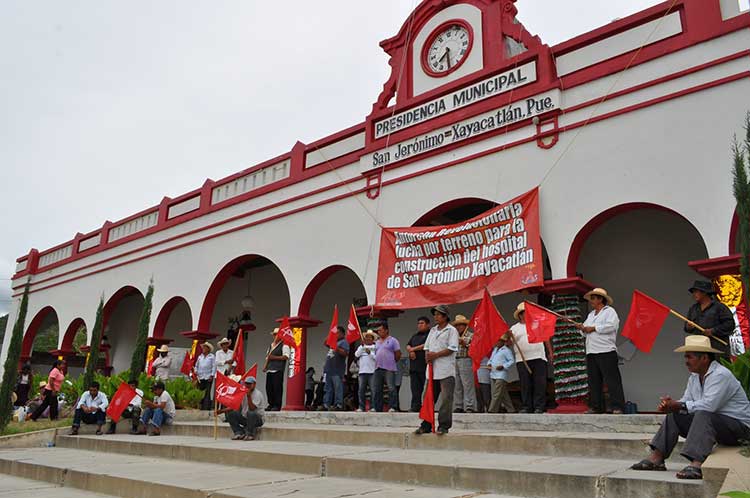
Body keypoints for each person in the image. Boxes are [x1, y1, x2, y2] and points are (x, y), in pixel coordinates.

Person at [631, 335, 750, 480]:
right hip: (717, 427)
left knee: (703, 413)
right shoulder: (694, 376)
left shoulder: (720, 375)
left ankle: (697, 464)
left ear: (704, 358)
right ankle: (657, 458)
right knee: (676, 414)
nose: (686, 362)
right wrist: (672, 406)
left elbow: (708, 406)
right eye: (685, 357)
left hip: (740, 430)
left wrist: (679, 405)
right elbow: (686, 401)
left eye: (690, 357)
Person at [576, 288, 625, 414]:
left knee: (612, 380)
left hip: (606, 350)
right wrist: (582, 328)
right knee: (594, 381)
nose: (591, 301)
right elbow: (585, 332)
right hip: (591, 351)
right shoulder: (591, 315)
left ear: (600, 299)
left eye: (593, 298)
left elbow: (611, 326)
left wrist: (593, 328)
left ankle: (617, 406)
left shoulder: (610, 312)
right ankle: (596, 406)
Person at [415, 305, 459, 435]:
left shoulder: (451, 330)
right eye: (435, 314)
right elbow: (427, 347)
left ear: (445, 316)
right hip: (432, 370)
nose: (436, 317)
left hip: (446, 370)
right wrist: (427, 357)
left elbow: (451, 348)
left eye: (439, 314)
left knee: (446, 399)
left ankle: (443, 425)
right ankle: (426, 424)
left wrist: (436, 355)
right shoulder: (433, 330)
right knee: (427, 398)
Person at [509, 302, 552, 413]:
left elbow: (545, 338)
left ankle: (539, 406)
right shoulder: (514, 328)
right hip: (522, 359)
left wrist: (550, 352)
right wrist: (508, 336)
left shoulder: (536, 324)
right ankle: (527, 406)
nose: (525, 315)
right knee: (525, 384)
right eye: (523, 313)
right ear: (520, 315)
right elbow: (508, 343)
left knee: (540, 383)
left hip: (538, 356)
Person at [684, 280, 735, 356]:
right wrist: (688, 327)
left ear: (704, 292)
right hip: (699, 350)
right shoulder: (693, 309)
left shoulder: (720, 307)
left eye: (696, 292)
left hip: (717, 349)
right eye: (693, 292)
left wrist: (713, 331)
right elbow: (686, 327)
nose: (694, 294)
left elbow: (730, 324)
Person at [216, 376, 267, 440]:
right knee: (231, 413)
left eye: (249, 384)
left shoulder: (258, 394)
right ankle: (239, 432)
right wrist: (221, 411)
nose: (247, 385)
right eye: (246, 384)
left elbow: (252, 408)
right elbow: (236, 405)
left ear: (254, 384)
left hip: (257, 419)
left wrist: (248, 396)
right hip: (246, 418)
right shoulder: (243, 393)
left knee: (250, 413)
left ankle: (250, 434)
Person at [372, 322, 401, 412]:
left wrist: (391, 361)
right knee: (377, 389)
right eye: (378, 331)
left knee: (391, 388)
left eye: (380, 330)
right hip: (378, 368)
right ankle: (377, 408)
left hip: (389, 368)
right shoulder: (377, 342)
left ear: (386, 330)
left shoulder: (393, 340)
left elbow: (398, 354)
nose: (379, 332)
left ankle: (393, 407)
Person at [452, 314, 476, 413]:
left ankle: (470, 406)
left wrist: (465, 344)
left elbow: (474, 349)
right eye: (457, 325)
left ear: (465, 325)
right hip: (454, 360)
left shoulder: (471, 335)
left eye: (460, 325)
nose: (458, 327)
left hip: (465, 359)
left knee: (467, 384)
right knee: (457, 384)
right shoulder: (453, 336)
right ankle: (458, 405)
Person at [264, 328, 291, 411]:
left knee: (277, 388)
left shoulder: (284, 345)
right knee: (269, 388)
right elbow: (268, 357)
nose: (275, 336)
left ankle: (277, 405)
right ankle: (270, 404)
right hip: (270, 369)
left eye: (277, 335)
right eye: (274, 335)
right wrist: (265, 366)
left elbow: (286, 357)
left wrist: (274, 357)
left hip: (278, 369)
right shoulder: (271, 345)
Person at [407, 316, 430, 412]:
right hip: (414, 367)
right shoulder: (415, 335)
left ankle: (426, 407)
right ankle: (415, 406)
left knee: (426, 389)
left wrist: (413, 349)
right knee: (415, 389)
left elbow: (426, 345)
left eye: (422, 323)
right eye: (418, 323)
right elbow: (408, 344)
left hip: (424, 366)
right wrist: (410, 350)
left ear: (428, 325)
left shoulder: (430, 335)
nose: (419, 325)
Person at [323, 326, 349, 410]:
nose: (336, 334)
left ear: (342, 333)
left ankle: (338, 404)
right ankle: (326, 404)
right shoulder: (333, 342)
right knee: (328, 389)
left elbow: (345, 353)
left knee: (338, 388)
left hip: (337, 369)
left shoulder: (344, 342)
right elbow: (325, 343)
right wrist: (331, 335)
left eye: (337, 333)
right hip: (329, 369)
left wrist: (336, 348)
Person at [489, 334, 516, 413]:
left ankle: (492, 410)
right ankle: (511, 409)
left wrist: (503, 366)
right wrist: (489, 364)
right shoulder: (495, 350)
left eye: (498, 341)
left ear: (502, 342)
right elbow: (491, 359)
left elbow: (511, 360)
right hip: (493, 373)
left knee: (496, 393)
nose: (496, 342)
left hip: (501, 375)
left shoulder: (507, 350)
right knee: (503, 394)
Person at [355, 330, 377, 412]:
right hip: (362, 372)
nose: (367, 339)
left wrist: (370, 353)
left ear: (373, 339)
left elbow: (376, 358)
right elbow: (356, 355)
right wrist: (362, 347)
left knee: (373, 391)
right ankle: (361, 407)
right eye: (366, 337)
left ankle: (373, 407)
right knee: (361, 391)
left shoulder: (375, 347)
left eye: (369, 337)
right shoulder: (361, 347)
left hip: (372, 372)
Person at [194, 342, 216, 411]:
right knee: (200, 392)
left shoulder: (212, 357)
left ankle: (206, 407)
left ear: (208, 349)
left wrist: (212, 375)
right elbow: (196, 365)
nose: (203, 349)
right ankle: (199, 406)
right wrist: (195, 371)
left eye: (205, 347)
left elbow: (214, 366)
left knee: (207, 392)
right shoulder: (200, 357)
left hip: (208, 376)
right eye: (203, 347)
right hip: (200, 377)